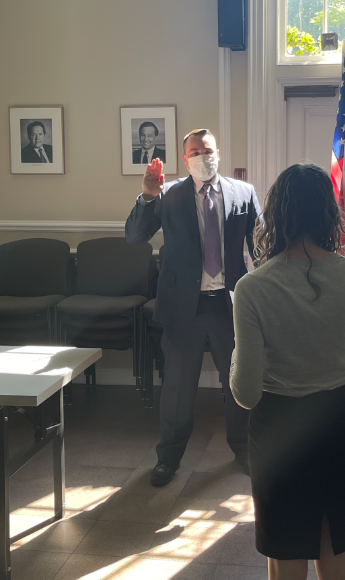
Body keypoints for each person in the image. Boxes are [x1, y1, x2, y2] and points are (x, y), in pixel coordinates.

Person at [229, 163, 345, 580]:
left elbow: (246, 393)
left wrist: (240, 339)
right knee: (337, 567)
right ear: (329, 214)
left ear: (274, 216)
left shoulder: (253, 289)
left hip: (278, 429)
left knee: (285, 567)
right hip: (340, 422)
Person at [125, 128, 261, 486]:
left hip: (229, 306)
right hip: (184, 308)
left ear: (218, 152)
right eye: (195, 151)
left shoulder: (243, 192)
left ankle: (244, 449)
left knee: (238, 384)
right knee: (177, 388)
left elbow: (260, 245)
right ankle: (168, 457)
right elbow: (135, 237)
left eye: (208, 149)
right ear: (185, 158)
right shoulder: (167, 195)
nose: (203, 155)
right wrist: (147, 195)